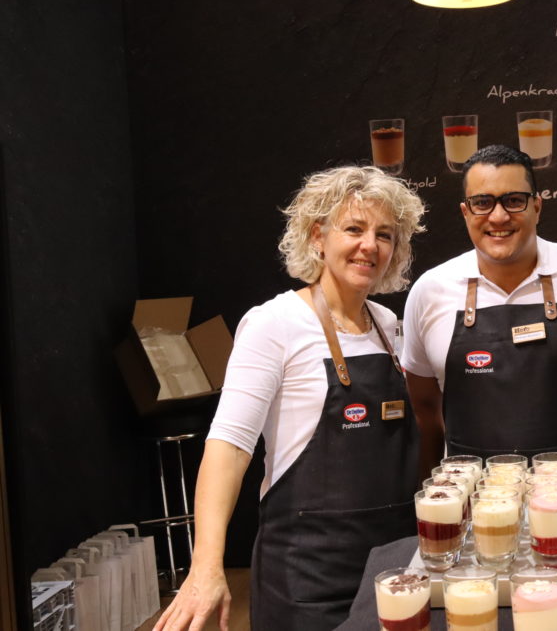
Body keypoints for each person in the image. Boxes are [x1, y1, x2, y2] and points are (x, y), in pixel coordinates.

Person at [154, 166, 426, 631]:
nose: (370, 246)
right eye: (354, 229)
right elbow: (229, 447)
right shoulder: (273, 324)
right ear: (318, 236)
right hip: (307, 576)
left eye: (385, 235)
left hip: (394, 566)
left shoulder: (391, 327)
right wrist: (206, 566)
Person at [402, 144, 557, 466]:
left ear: (537, 207)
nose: (498, 216)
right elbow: (422, 408)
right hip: (474, 502)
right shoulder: (429, 290)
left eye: (514, 201)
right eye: (482, 202)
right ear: (465, 212)